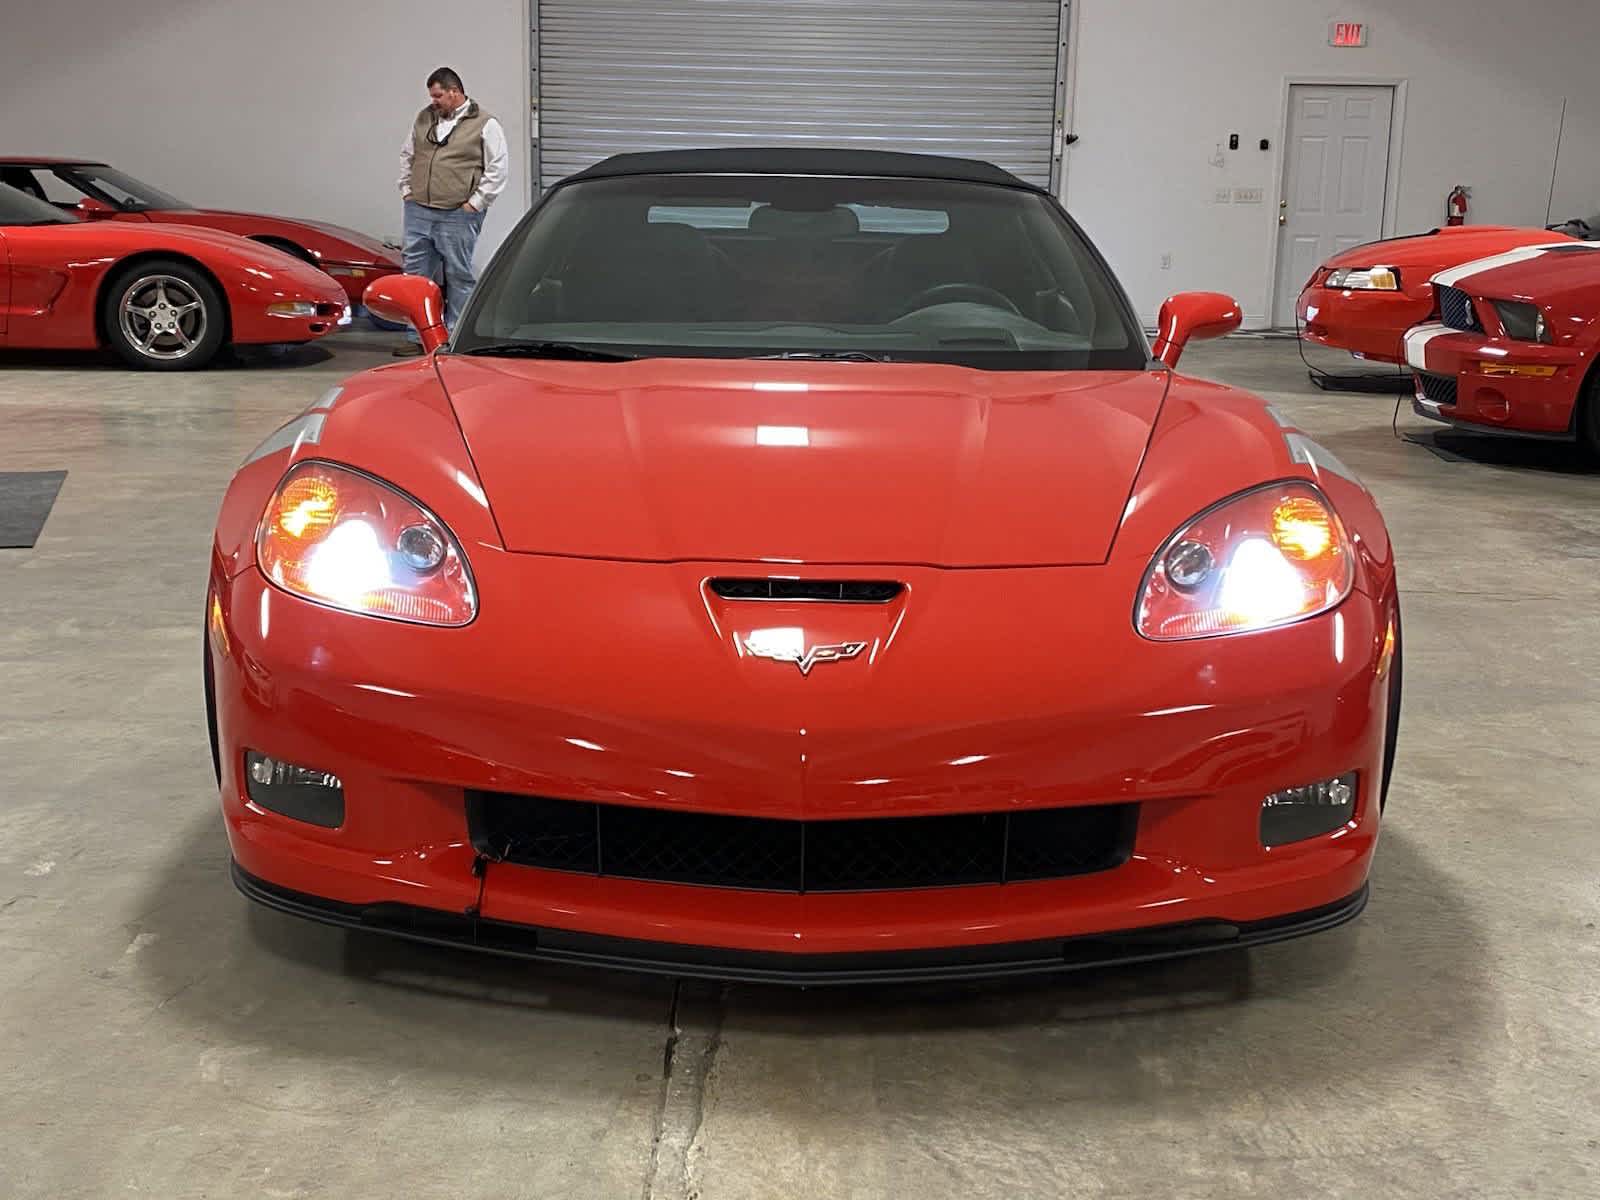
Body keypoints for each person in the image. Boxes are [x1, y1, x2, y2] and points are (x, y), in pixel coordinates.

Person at [393, 66, 509, 354]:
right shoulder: (424, 118)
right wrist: (406, 190)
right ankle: (416, 337)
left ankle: (455, 338)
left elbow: (497, 168)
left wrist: (475, 203)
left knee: (458, 274)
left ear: (454, 92)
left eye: (438, 96)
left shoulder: (485, 123)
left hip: (458, 212)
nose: (433, 101)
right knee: (416, 275)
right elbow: (408, 154)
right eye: (432, 96)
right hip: (418, 209)